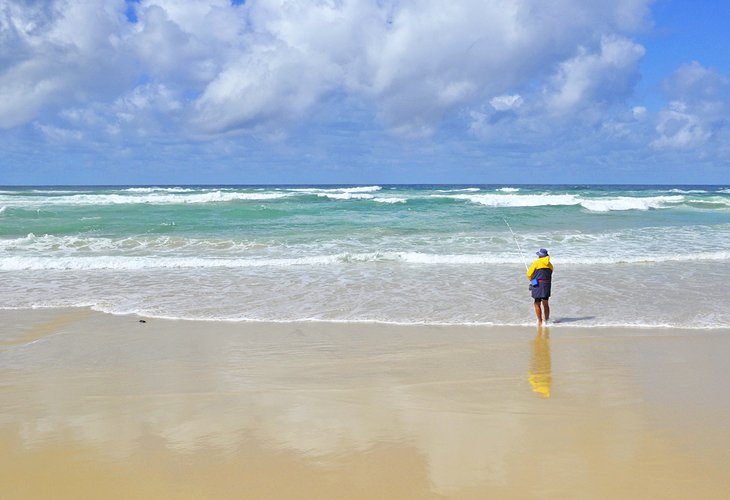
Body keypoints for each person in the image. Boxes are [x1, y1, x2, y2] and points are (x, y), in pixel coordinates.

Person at [527, 248, 553, 324]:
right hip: (547, 285)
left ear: (541, 256)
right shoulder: (550, 265)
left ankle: (540, 321)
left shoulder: (537, 263)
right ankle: (547, 320)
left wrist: (532, 279)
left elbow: (529, 274)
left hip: (537, 285)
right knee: (546, 303)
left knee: (537, 303)